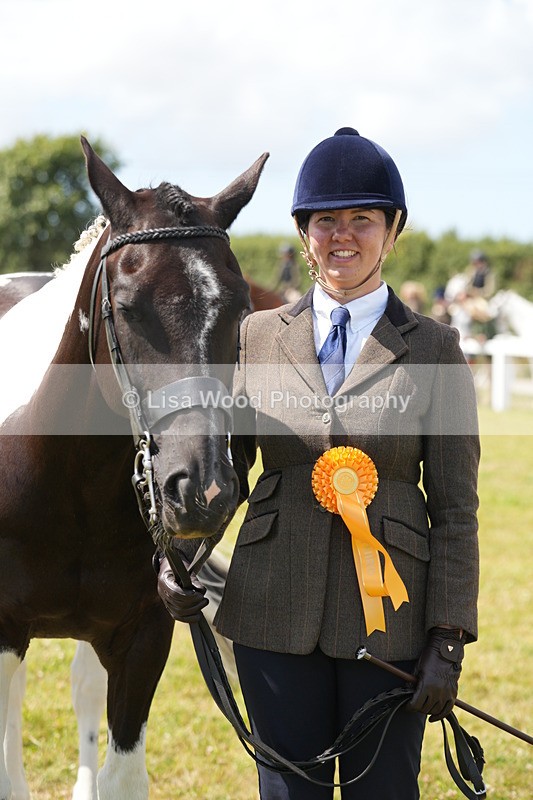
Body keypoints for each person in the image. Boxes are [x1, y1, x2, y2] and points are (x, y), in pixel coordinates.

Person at [157, 127, 480, 799]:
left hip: (388, 621)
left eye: (361, 219)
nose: (342, 235)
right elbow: (226, 469)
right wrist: (180, 551)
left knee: (384, 790)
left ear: (392, 230)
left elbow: (455, 510)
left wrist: (446, 639)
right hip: (270, 609)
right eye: (324, 220)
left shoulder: (434, 349)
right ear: (303, 234)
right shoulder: (254, 337)